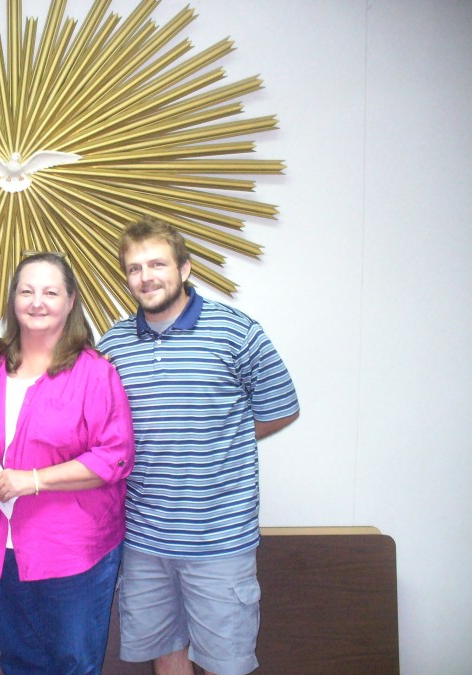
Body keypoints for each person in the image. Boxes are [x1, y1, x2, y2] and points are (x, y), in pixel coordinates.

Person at [98, 218, 300, 675]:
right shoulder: (113, 345)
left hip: (219, 539)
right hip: (144, 538)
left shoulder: (236, 332)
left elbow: (281, 409)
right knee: (166, 654)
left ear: (184, 268)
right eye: (134, 268)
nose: (146, 277)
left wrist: (221, 437)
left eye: (157, 264)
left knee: (227, 664)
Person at [0, 252, 135, 674]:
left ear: (70, 300)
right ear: (13, 300)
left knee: (72, 663)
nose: (37, 302)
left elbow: (114, 457)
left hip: (72, 549)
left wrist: (33, 480)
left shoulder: (94, 372)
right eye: (27, 291)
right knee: (18, 661)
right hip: (3, 545)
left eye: (50, 292)